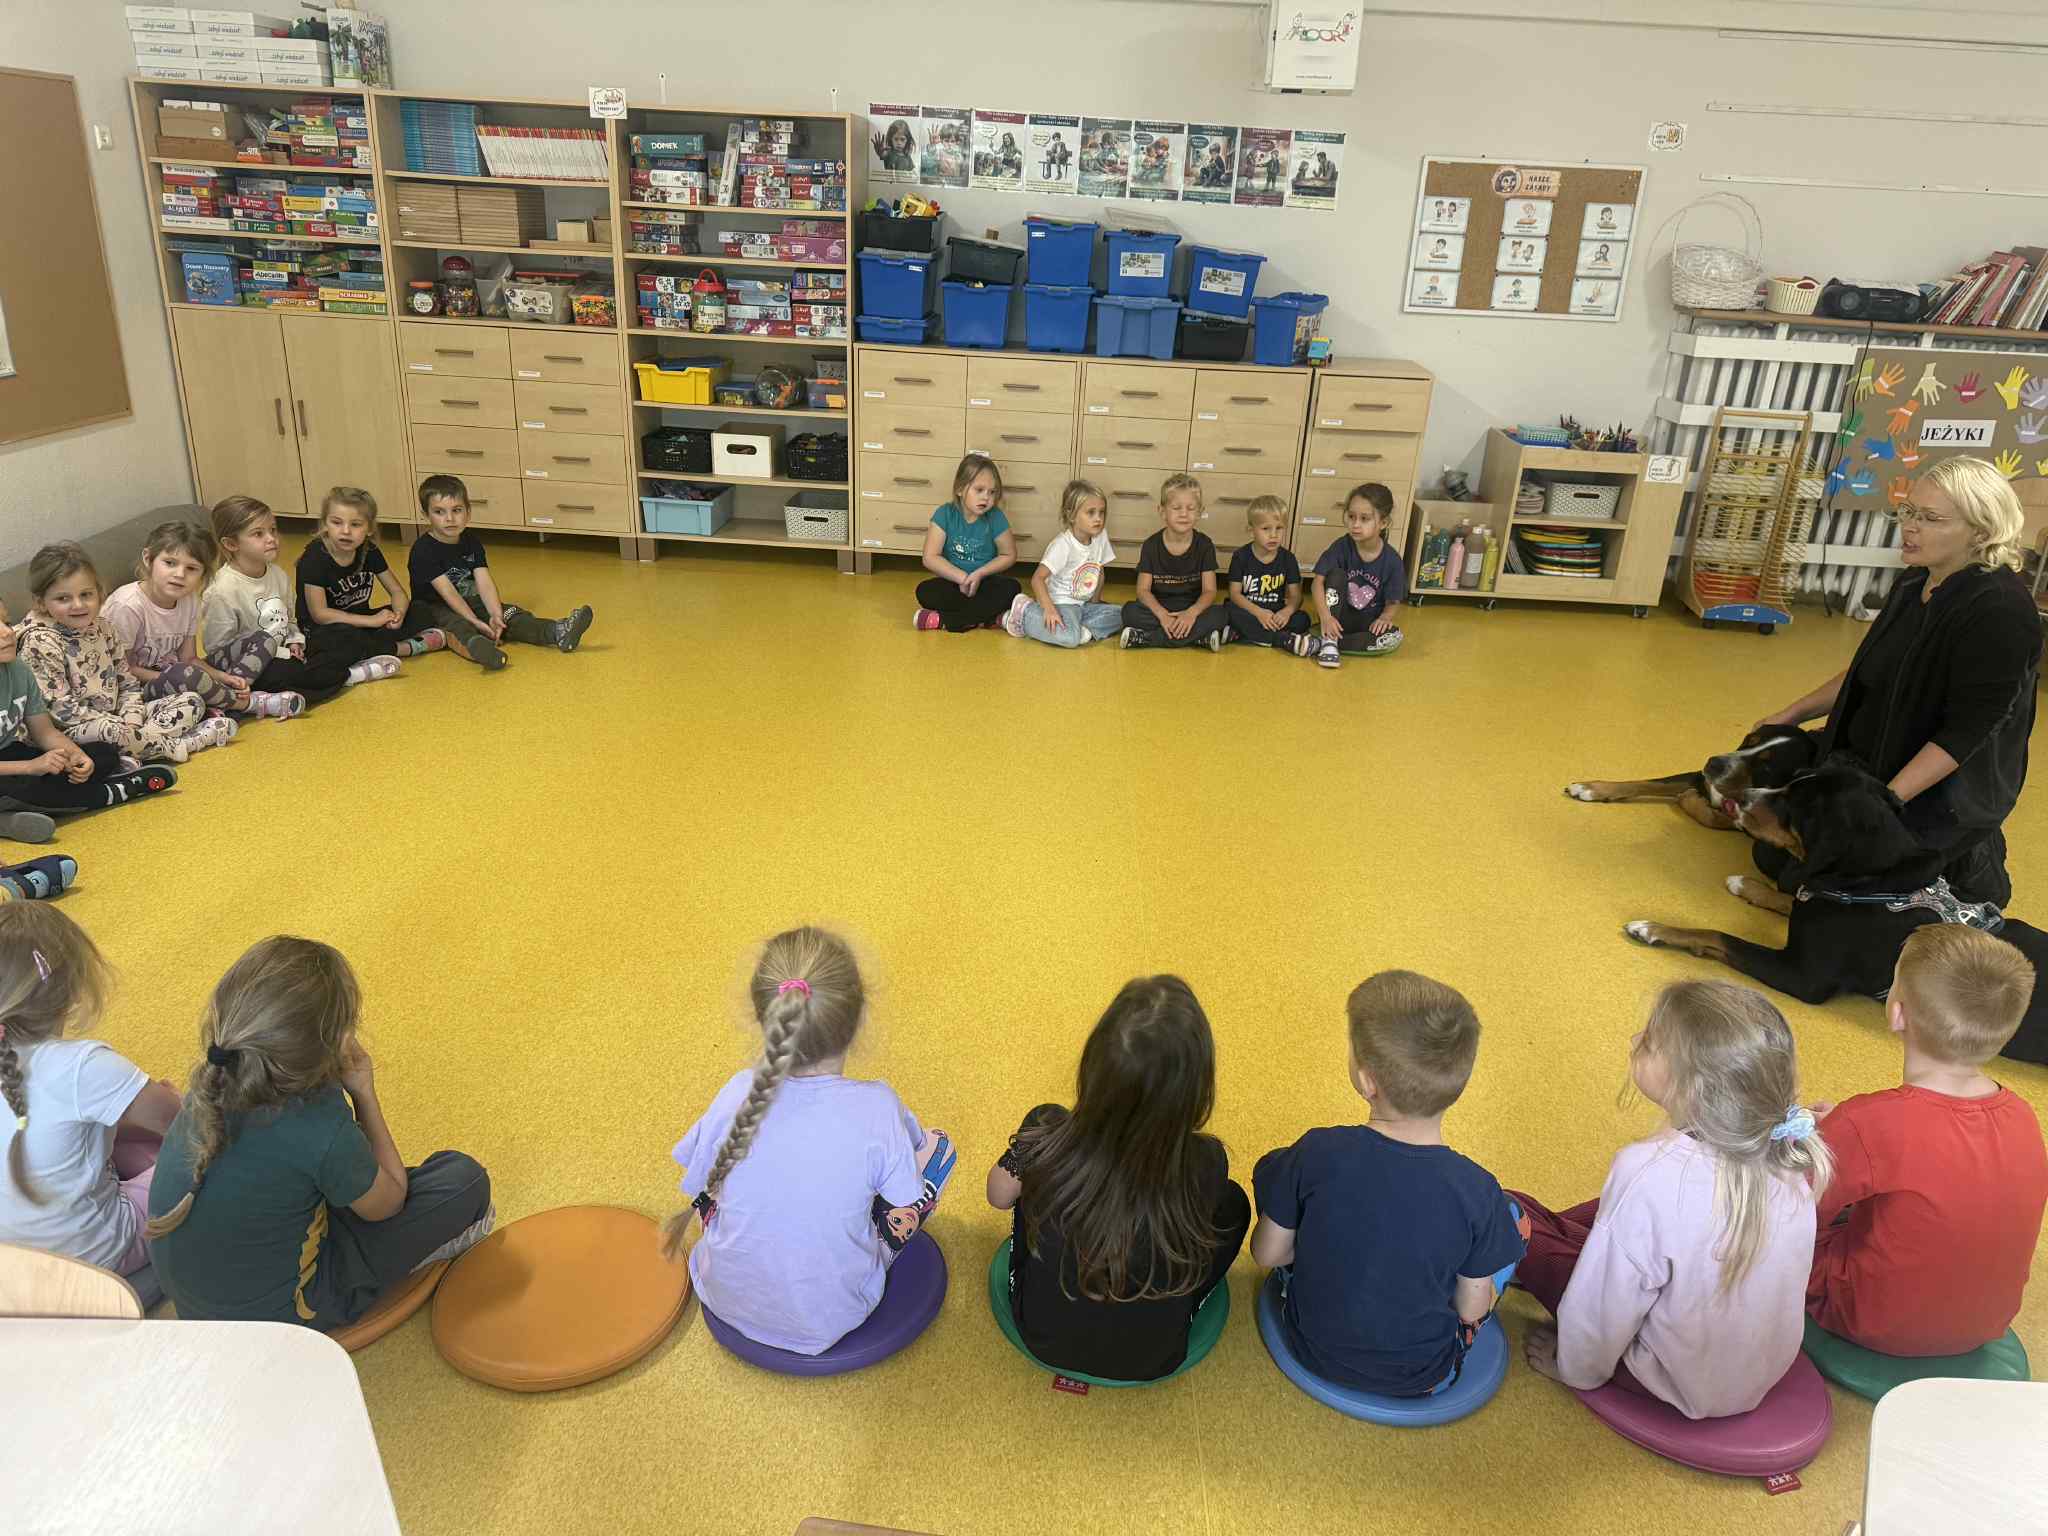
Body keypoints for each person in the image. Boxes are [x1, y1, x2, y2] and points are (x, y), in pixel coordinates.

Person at [1509, 981, 1829, 1419]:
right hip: (1757, 1373)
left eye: (1650, 1042)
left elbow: (1601, 1307)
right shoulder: (1789, 1156)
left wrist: (1574, 1368)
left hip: (1666, 1378)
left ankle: (1525, 1249)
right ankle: (1564, 1237)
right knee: (1615, 1213)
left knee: (1503, 1210)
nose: (1634, 1040)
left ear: (1693, 1087)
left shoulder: (1647, 1173)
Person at [145, 936, 495, 1327]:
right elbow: (389, 1203)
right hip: (276, 1320)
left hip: (198, 1305)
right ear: (337, 1042)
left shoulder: (212, 1080)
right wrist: (363, 1093)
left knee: (326, 1188)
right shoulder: (315, 1120)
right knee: (464, 1180)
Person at [1756, 457, 2038, 905]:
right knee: (1773, 856)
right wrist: (1789, 715)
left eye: (1930, 518)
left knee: (1825, 887)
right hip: (1878, 756)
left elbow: (1965, 735)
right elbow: (1868, 669)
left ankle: (1975, 861)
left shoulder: (2001, 611)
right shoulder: (1914, 581)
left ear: (1981, 532)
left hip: (1945, 789)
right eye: (1908, 512)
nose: (1909, 527)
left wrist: (1882, 804)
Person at [662, 927, 955, 1355]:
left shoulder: (737, 1092)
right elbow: (903, 1196)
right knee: (939, 1147)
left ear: (763, 1017)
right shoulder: (878, 1107)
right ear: (857, 1023)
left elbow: (699, 1175)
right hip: (834, 1314)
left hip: (722, 1295)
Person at [1252, 971, 1526, 1395]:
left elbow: (1267, 1254)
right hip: (1421, 1376)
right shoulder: (1478, 1191)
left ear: (1367, 1081)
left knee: (1278, 1169)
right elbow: (1471, 1309)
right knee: (1516, 1218)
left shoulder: (1317, 1150)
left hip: (1310, 1346)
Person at [987, 975, 1249, 1382]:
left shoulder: (1046, 1130)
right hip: (1155, 1355)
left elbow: (998, 1196)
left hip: (1041, 1332)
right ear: (1197, 1091)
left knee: (1031, 1182)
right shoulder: (1206, 1161)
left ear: (1092, 1068)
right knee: (1233, 1204)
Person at [1806, 925, 2047, 1355]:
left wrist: (1822, 1140)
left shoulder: (1868, 1123)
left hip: (1868, 1317)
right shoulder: (2025, 1116)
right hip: (1984, 1323)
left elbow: (1799, 1206)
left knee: (1759, 1208)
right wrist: (1847, 1134)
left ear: (1897, 1013)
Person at [0, 905, 180, 1296]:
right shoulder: (84, 1065)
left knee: (111, 1134)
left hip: (13, 1264)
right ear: (71, 988)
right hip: (93, 1254)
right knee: (196, 1161)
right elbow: (181, 1120)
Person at [0, 596, 177, 844]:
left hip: (10, 755)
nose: (7, 633)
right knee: (20, 786)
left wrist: (76, 756)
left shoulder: (18, 670)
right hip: (10, 774)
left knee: (104, 755)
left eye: (7, 622)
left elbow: (44, 732)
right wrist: (30, 767)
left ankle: (17, 811)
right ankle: (113, 792)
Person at [17, 543, 211, 763]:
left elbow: (128, 683)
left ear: (99, 593)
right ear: (41, 602)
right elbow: (61, 711)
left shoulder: (104, 627)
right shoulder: (39, 642)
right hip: (71, 732)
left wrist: (132, 719)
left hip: (119, 719)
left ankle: (137, 749)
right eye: (63, 598)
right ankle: (181, 744)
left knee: (192, 701)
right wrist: (118, 726)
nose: (78, 605)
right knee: (109, 731)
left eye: (86, 594)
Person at [406, 475, 594, 671]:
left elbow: (484, 582)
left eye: (457, 510)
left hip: (470, 600)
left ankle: (557, 631)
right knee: (458, 625)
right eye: (439, 512)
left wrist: (496, 615)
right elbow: (448, 593)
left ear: (468, 512)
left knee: (509, 613)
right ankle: (481, 650)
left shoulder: (470, 541)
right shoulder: (423, 550)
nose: (449, 518)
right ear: (425, 515)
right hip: (434, 608)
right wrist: (474, 621)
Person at [200, 495, 351, 715]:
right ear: (231, 544)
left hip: (285, 652)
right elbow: (219, 650)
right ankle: (343, 677)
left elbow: (289, 620)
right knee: (287, 673)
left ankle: (324, 679)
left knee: (337, 639)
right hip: (251, 666)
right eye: (258, 534)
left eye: (273, 530)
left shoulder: (278, 575)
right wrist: (276, 654)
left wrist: (294, 642)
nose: (271, 538)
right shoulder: (221, 591)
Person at [101, 520, 244, 721]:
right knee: (188, 679)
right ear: (148, 559)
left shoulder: (189, 600)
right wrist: (185, 679)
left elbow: (189, 659)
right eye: (169, 563)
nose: (180, 574)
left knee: (260, 640)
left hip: (179, 675)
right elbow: (124, 670)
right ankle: (244, 704)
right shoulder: (127, 606)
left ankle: (224, 696)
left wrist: (223, 677)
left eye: (192, 568)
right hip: (135, 688)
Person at [294, 487, 434, 683]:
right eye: (336, 522)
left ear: (369, 529)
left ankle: (369, 651)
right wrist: (371, 621)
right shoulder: (314, 558)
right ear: (325, 524)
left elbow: (396, 591)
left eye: (355, 524)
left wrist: (398, 614)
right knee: (344, 639)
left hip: (361, 623)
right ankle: (401, 649)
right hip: (324, 630)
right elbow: (320, 614)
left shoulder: (369, 551)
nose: (345, 531)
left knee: (421, 609)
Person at [1002, 479, 1123, 647]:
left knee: (1124, 614)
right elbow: (1037, 579)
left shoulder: (1100, 536)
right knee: (1069, 639)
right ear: (1071, 515)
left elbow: (1099, 572)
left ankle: (1081, 631)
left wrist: (1095, 604)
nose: (1098, 519)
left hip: (1083, 605)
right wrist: (1049, 609)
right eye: (1091, 513)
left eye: (1101, 512)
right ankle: (1025, 613)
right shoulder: (1063, 545)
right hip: (1062, 604)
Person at [1120, 474, 1230, 651]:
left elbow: (1209, 591)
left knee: (1221, 614)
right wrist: (1163, 615)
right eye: (1176, 508)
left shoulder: (1205, 545)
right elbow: (1142, 590)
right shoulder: (1150, 545)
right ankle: (1197, 638)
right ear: (1162, 511)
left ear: (1200, 512)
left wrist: (1191, 614)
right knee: (1129, 612)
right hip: (1159, 606)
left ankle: (1147, 639)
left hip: (1192, 606)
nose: (1184, 514)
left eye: (1191, 508)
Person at [914, 453, 1021, 633]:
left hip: (985, 583)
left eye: (992, 492)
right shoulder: (945, 514)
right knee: (924, 591)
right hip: (954, 582)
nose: (986, 497)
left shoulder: (995, 517)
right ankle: (988, 618)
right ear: (960, 489)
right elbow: (930, 557)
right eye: (979, 490)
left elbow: (1009, 555)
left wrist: (979, 574)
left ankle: (948, 620)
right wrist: (962, 578)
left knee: (1012, 588)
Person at [1305, 482, 1407, 668]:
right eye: (1351, 517)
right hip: (1337, 615)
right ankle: (1329, 639)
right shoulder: (1341, 547)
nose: (1355, 525)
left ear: (1383, 523)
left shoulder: (1393, 561)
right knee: (1336, 575)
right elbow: (1317, 583)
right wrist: (1326, 617)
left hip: (1366, 622)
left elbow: (1393, 601)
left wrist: (1385, 617)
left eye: (1364, 519)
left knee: (1393, 636)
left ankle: (1323, 643)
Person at [1225, 495, 1312, 651]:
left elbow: (1296, 596)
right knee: (1227, 611)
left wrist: (1286, 612)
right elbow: (1234, 594)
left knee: (1303, 619)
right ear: (1251, 530)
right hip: (1249, 610)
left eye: (1279, 528)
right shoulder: (1240, 556)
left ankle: (1244, 634)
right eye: (1266, 529)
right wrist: (1259, 613)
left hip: (1276, 613)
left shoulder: (1288, 559)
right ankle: (1281, 640)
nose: (1273, 535)